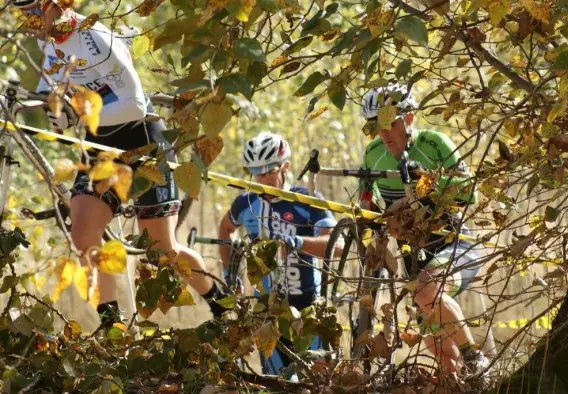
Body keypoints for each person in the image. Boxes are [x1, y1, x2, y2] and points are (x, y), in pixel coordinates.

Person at [12, 0, 228, 327]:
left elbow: (136, 106)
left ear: (54, 4)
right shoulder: (47, 40)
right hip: (101, 145)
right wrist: (50, 110)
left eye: (32, 9)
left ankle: (222, 307)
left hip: (142, 143)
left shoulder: (95, 38)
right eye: (20, 11)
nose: (28, 18)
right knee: (84, 235)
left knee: (162, 252)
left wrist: (78, 115)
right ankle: (113, 331)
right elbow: (48, 90)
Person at [360, 83, 490, 376]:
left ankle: (475, 357)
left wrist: (430, 180)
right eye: (373, 127)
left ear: (409, 118)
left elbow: (471, 195)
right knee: (442, 357)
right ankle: (471, 381)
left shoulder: (434, 143)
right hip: (414, 255)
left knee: (424, 290)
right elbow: (366, 200)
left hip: (454, 244)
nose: (382, 133)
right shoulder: (373, 153)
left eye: (388, 123)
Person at [218, 132, 337, 377]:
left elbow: (336, 245)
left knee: (320, 382)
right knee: (277, 383)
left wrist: (298, 242)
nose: (262, 179)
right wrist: (230, 272)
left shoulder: (306, 199)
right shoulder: (246, 202)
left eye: (269, 171)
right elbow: (225, 229)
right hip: (267, 311)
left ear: (285, 167)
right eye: (256, 172)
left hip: (308, 308)